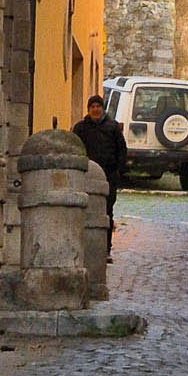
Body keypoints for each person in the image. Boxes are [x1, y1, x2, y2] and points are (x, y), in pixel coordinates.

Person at [71, 94, 127, 261]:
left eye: (98, 106)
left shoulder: (113, 127)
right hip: (85, 176)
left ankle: (105, 249)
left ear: (102, 109)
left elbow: (121, 151)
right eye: (92, 107)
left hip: (108, 177)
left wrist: (118, 172)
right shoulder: (80, 128)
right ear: (89, 110)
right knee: (83, 211)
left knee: (106, 213)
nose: (95, 109)